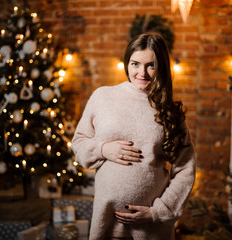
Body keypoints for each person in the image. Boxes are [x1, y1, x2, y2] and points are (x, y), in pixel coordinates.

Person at [72, 32, 195, 240]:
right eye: (135, 64)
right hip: (107, 221)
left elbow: (186, 169)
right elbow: (79, 143)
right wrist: (103, 149)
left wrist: (158, 211)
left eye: (151, 65)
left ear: (161, 67)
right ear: (126, 63)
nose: (142, 73)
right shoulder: (103, 97)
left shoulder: (169, 110)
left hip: (151, 228)